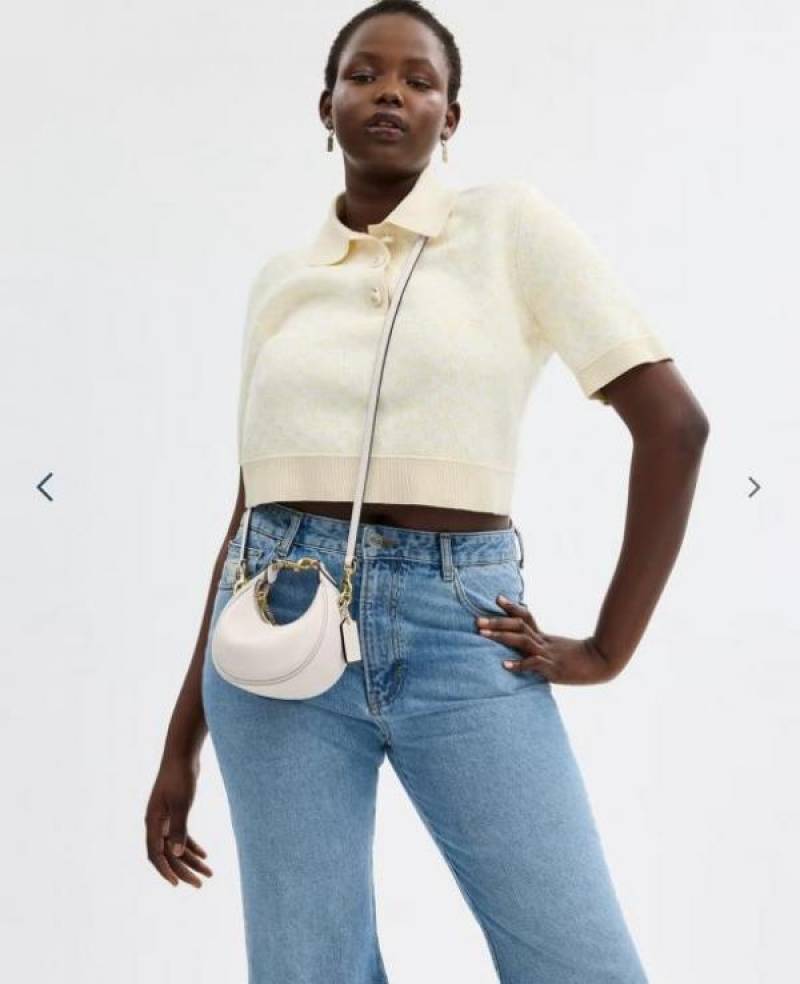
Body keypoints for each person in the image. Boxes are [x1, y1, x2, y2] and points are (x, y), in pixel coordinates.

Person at [145, 2, 709, 981]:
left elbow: (674, 426)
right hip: (273, 636)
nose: (389, 93)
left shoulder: (508, 228)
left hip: (461, 627)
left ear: (451, 116)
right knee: (306, 970)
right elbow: (248, 515)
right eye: (363, 74)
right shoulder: (282, 282)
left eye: (418, 80)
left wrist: (606, 649)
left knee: (581, 962)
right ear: (324, 105)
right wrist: (179, 743)